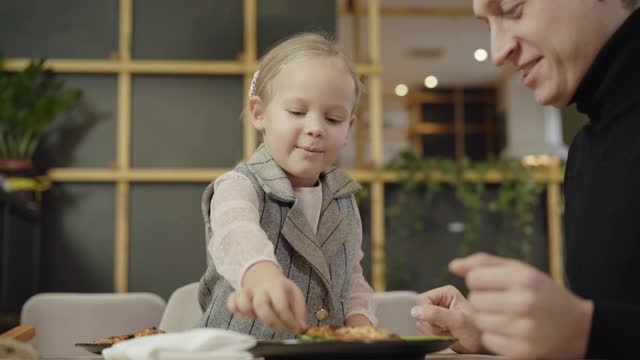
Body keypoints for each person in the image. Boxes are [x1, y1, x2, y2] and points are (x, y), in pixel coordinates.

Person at [411, 0, 640, 358]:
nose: (498, 52)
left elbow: (597, 331)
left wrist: (585, 332)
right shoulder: (585, 150)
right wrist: (496, 338)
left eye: (513, 9)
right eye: (487, 27)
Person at [195, 32, 376, 340]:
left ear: (349, 128)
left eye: (333, 119)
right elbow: (236, 234)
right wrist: (261, 274)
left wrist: (361, 323)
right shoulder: (239, 186)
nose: (316, 128)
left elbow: (352, 277)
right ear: (259, 113)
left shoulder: (345, 199)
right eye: (297, 112)